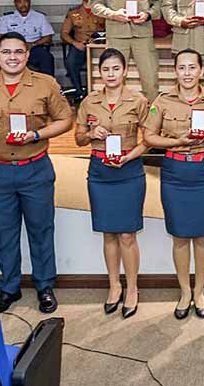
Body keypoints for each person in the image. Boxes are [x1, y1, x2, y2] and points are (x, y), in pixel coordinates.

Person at [0, 31, 73, 314]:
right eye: (6, 52)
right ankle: (9, 288)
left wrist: (37, 134)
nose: (13, 57)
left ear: (27, 55)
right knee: (5, 233)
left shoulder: (45, 84)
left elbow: (65, 120)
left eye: (19, 52)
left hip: (35, 169)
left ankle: (44, 286)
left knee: (41, 230)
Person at [143, 49, 204, 319]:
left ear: (202, 71)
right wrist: (177, 142)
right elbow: (149, 136)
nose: (188, 73)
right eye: (182, 68)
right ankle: (184, 291)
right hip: (175, 170)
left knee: (203, 236)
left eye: (192, 68)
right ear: (175, 71)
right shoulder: (163, 100)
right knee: (180, 236)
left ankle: (200, 291)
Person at [74, 48, 148, 319]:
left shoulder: (138, 100)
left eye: (116, 69)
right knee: (108, 233)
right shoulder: (89, 102)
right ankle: (114, 286)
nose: (111, 74)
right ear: (100, 73)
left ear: (125, 71)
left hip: (128, 171)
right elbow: (79, 138)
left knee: (127, 234)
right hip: (100, 171)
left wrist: (129, 156)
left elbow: (149, 139)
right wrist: (92, 132)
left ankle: (132, 288)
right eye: (106, 70)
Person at [0, 0, 55, 76]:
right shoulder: (6, 19)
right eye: (19, 1)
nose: (23, 4)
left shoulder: (40, 17)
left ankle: (48, 86)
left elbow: (48, 37)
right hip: (13, 50)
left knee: (47, 57)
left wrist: (33, 44)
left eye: (25, 1)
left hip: (34, 48)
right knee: (0, 58)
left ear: (29, 1)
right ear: (15, 3)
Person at [62, 0, 105, 100]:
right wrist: (75, 43)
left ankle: (100, 93)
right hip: (80, 46)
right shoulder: (73, 12)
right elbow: (64, 34)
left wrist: (97, 39)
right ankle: (79, 91)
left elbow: (109, 30)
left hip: (98, 47)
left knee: (105, 64)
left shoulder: (102, 11)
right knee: (70, 63)